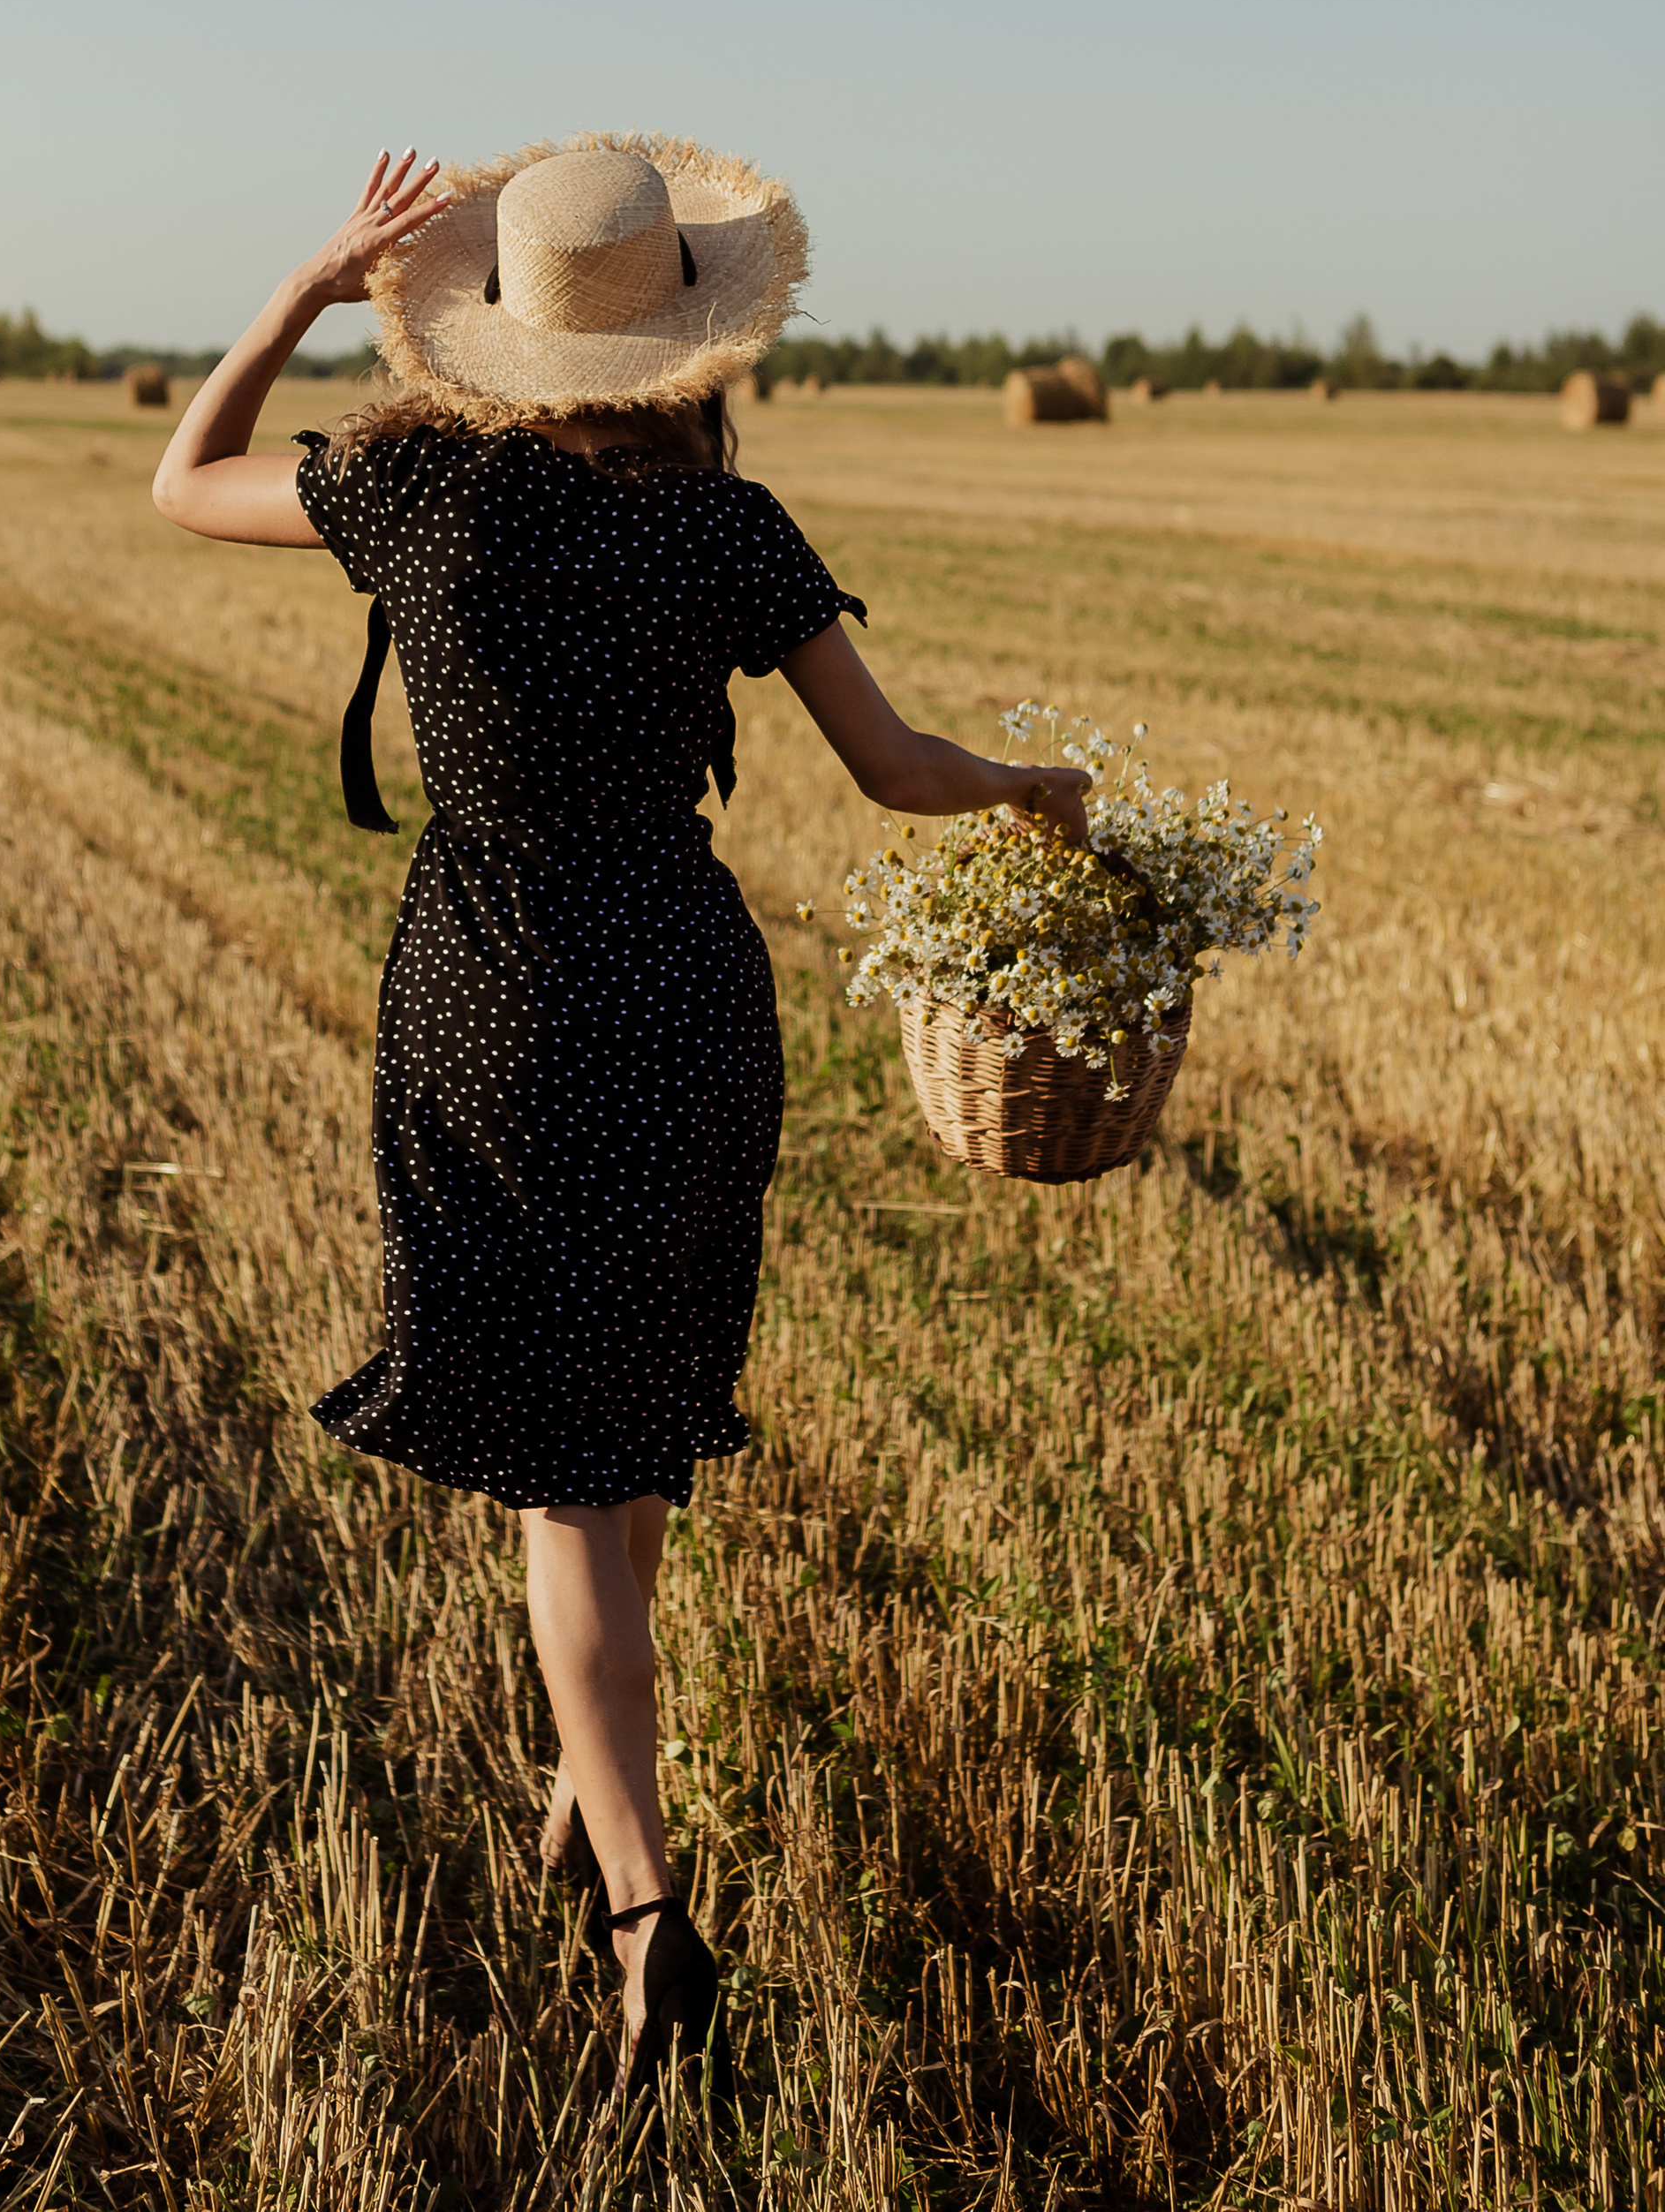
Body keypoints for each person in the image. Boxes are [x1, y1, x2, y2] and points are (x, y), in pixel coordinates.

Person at [153, 135, 1090, 2129]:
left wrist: (307, 288)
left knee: (566, 1471)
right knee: (630, 1420)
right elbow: (894, 767)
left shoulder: (414, 493)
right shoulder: (729, 532)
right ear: (683, 342)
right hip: (678, 977)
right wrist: (1033, 787)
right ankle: (598, 1802)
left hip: (491, 985)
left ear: (494, 338)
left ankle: (645, 1910)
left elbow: (178, 484)